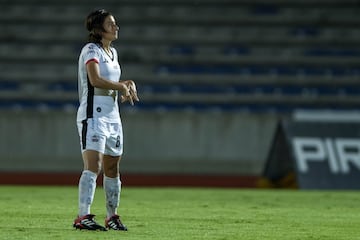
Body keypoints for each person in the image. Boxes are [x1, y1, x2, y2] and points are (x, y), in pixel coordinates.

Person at [73, 9, 139, 231]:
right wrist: (119, 85)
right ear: (99, 28)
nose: (116, 26)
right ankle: (83, 216)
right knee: (94, 165)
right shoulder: (90, 50)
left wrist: (125, 83)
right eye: (111, 24)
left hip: (112, 117)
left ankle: (112, 216)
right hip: (93, 116)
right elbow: (94, 79)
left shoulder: (112, 52)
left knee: (113, 168)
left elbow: (110, 81)